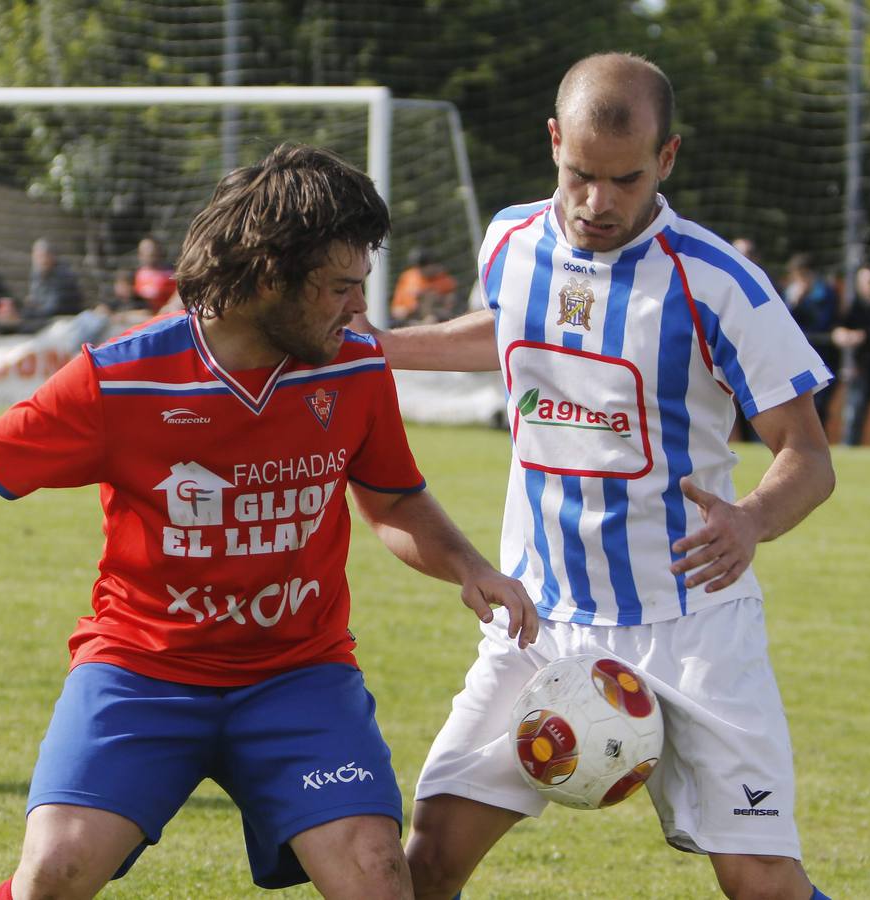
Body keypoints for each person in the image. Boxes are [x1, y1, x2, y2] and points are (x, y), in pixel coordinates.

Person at [0, 143, 538, 900]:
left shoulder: (354, 365)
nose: (359, 309)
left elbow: (393, 498)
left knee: (377, 874)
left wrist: (471, 568)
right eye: (341, 287)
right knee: (56, 871)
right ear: (270, 276)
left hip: (299, 676)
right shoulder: (123, 378)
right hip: (142, 671)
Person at [357, 53, 835, 900]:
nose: (596, 202)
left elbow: (805, 452)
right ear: (552, 142)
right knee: (425, 859)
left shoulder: (719, 286)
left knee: (760, 882)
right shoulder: (508, 239)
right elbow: (508, 330)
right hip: (540, 621)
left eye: (623, 180)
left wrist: (751, 520)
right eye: (579, 175)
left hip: (690, 627)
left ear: (667, 159)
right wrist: (378, 345)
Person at [781, 252, 840, 426]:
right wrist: (795, 302)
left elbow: (823, 322)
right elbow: (782, 322)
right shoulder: (790, 294)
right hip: (795, 355)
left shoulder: (827, 293)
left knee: (820, 403)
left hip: (822, 354)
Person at [832, 263, 870, 445]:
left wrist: (862, 335)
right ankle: (849, 446)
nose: (868, 286)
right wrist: (840, 333)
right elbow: (840, 326)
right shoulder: (856, 305)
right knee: (855, 412)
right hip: (862, 368)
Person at [20, 237, 84, 328]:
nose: (40, 261)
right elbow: (34, 299)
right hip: (45, 315)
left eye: (43, 256)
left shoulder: (63, 276)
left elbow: (54, 307)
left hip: (64, 320)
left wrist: (35, 308)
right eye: (37, 256)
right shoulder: (37, 273)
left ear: (51, 256)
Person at [389, 247, 458, 325]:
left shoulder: (444, 279)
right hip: (409, 319)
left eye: (423, 266)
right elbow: (396, 309)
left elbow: (449, 306)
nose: (419, 269)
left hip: (435, 318)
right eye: (418, 266)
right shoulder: (407, 277)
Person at [134, 235, 178, 313]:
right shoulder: (135, 274)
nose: (147, 253)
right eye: (143, 251)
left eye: (149, 249)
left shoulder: (171, 274)